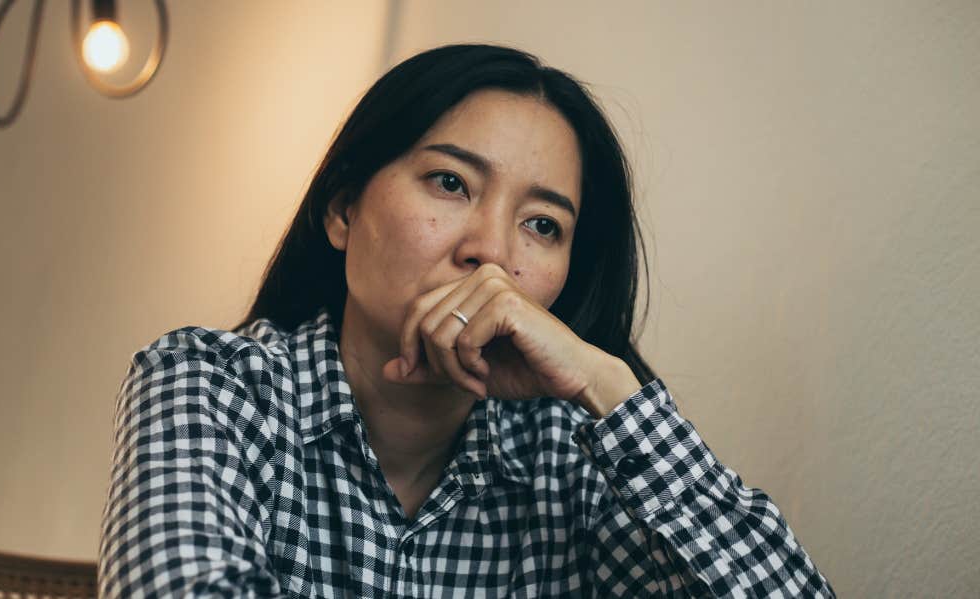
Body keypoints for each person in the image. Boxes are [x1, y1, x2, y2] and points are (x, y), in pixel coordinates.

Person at [97, 43, 836, 598]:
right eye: (450, 183)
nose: (491, 252)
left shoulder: (571, 454)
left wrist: (613, 386)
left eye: (543, 225)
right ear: (343, 208)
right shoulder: (207, 384)